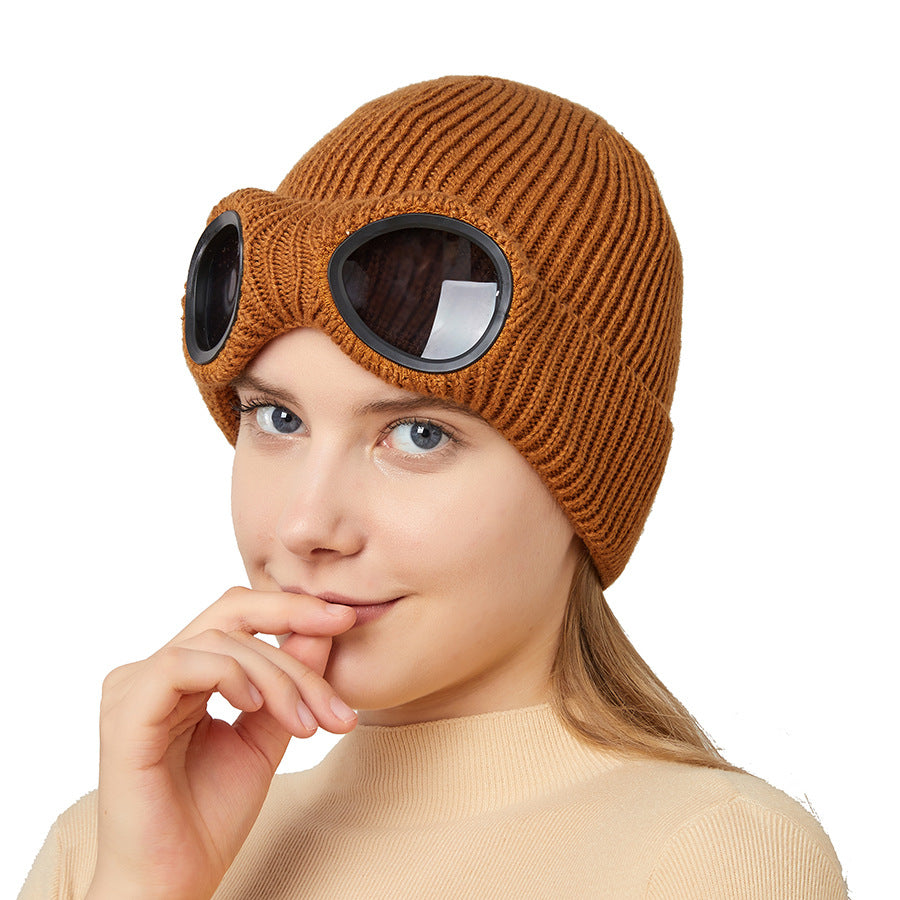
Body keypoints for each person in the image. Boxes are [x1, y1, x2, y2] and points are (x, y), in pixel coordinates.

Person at [20, 75, 846, 899]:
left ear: (584, 485)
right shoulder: (113, 842)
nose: (306, 524)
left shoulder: (715, 856)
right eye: (278, 419)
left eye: (419, 434)